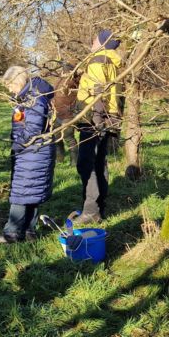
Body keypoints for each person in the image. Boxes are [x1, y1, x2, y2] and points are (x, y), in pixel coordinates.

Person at [0, 66, 56, 244]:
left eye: (10, 85)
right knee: (31, 191)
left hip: (32, 151)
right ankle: (28, 230)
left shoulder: (33, 98)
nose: (10, 90)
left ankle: (12, 233)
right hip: (35, 152)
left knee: (21, 193)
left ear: (17, 81)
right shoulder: (32, 95)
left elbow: (33, 128)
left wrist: (18, 143)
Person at [74, 29, 122, 224]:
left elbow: (98, 91)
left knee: (86, 163)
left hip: (94, 119)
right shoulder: (112, 61)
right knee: (99, 162)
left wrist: (96, 120)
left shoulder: (97, 60)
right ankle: (99, 207)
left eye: (95, 39)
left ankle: (91, 211)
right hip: (108, 117)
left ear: (102, 43)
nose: (92, 41)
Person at [52, 64, 80, 166]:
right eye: (63, 71)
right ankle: (59, 158)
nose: (64, 73)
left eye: (66, 71)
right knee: (56, 137)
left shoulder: (74, 81)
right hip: (57, 114)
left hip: (68, 115)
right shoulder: (59, 80)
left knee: (69, 138)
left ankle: (74, 161)